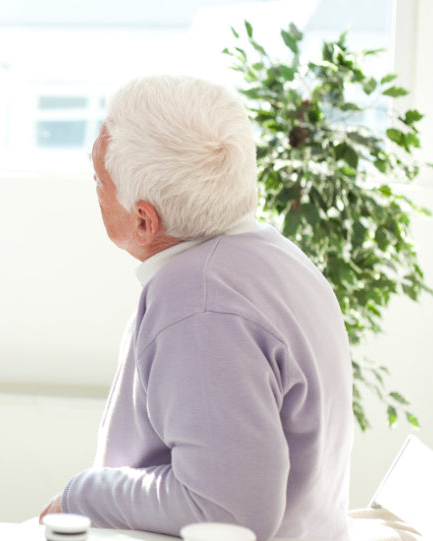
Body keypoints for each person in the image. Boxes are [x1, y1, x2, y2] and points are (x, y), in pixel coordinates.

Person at [38, 75, 352, 541]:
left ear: (144, 221)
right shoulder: (275, 255)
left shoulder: (200, 302)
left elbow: (228, 510)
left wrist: (81, 496)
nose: (95, 186)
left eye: (97, 179)